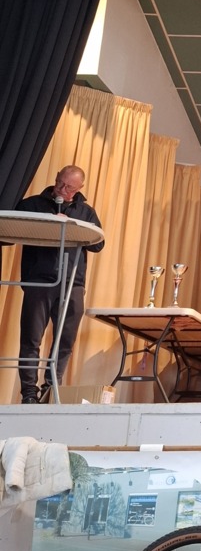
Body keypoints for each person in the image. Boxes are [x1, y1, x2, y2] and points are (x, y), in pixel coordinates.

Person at [17, 165, 104, 404]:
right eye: (60, 184)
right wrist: (47, 224)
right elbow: (11, 232)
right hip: (38, 280)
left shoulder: (85, 212)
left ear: (79, 189)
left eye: (69, 188)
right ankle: (29, 393)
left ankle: (50, 389)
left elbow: (98, 244)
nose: (62, 190)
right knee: (31, 338)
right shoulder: (32, 204)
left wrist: (71, 226)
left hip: (72, 283)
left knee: (65, 341)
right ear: (55, 178)